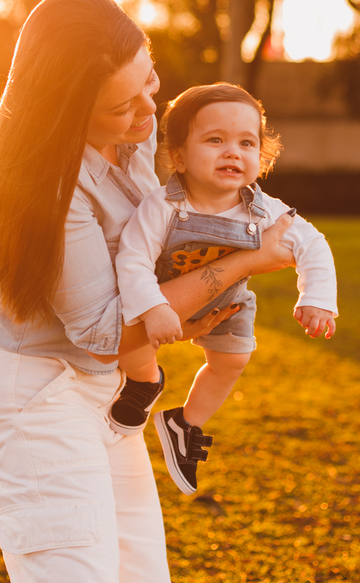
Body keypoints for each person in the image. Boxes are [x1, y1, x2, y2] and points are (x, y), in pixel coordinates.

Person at [0, 0, 296, 582]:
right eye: (120, 106)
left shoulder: (130, 146)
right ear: (66, 110)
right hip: (32, 396)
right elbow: (105, 330)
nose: (145, 112)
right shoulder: (50, 188)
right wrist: (240, 262)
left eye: (150, 81)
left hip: (104, 392)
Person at [106, 83, 339, 496]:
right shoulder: (162, 207)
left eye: (246, 143)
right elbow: (133, 260)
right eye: (215, 140)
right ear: (178, 155)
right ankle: (145, 381)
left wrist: (317, 297)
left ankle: (185, 423)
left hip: (229, 302)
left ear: (260, 157)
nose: (233, 152)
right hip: (165, 295)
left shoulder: (262, 208)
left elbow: (311, 244)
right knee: (134, 345)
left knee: (233, 359)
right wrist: (155, 308)